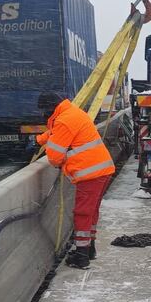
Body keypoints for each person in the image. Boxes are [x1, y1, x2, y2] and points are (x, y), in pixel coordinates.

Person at [36, 90, 116, 270]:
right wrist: (39, 140)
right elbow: (55, 134)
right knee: (91, 211)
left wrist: (58, 159)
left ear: (50, 109)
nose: (43, 115)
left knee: (82, 213)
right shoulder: (72, 113)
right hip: (101, 170)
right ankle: (89, 249)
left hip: (90, 173)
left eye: (44, 111)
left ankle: (81, 256)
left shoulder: (64, 120)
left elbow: (54, 157)